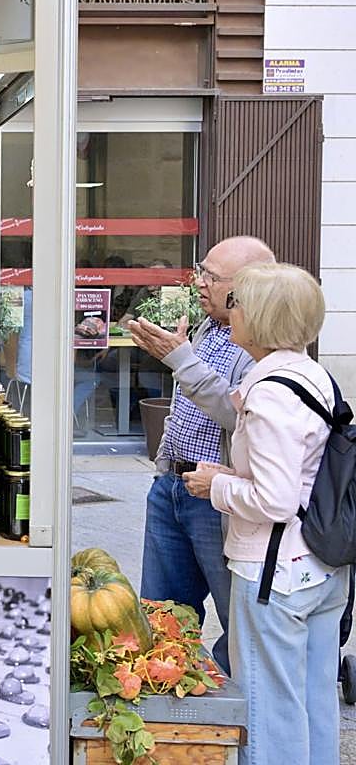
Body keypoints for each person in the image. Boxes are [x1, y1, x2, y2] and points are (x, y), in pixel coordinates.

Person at [183, 263, 345, 765]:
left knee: (267, 709)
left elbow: (274, 499)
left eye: (238, 304)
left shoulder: (270, 391)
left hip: (275, 570)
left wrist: (218, 484)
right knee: (314, 700)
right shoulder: (311, 374)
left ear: (261, 317)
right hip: (320, 566)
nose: (230, 313)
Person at [127, 236, 275, 674]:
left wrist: (181, 361)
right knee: (159, 618)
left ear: (248, 285)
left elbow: (240, 418)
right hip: (171, 485)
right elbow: (188, 402)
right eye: (200, 271)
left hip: (218, 500)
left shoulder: (262, 345)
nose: (199, 283)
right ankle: (171, 711)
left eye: (211, 276)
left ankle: (228, 717)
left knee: (240, 623)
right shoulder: (208, 327)